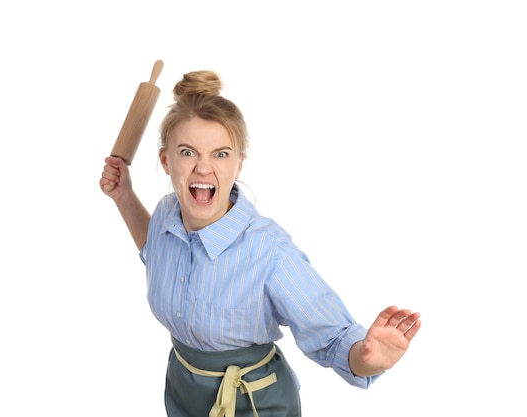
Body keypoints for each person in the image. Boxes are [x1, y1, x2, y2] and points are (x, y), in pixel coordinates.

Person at [99, 69, 421, 417]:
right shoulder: (166, 216)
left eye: (220, 154)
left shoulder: (269, 252)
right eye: (188, 152)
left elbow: (333, 339)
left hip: (254, 404)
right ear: (166, 160)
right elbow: (158, 253)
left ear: (238, 165)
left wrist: (368, 357)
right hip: (183, 394)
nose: (204, 168)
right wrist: (124, 196)